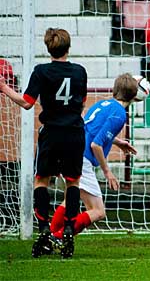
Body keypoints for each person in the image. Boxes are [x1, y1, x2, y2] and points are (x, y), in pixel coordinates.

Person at [0, 28, 87, 258]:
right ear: (68, 48)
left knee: (41, 181)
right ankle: (68, 228)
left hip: (51, 133)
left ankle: (44, 229)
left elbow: (27, 102)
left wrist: (3, 87)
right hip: (75, 133)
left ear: (48, 48)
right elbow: (82, 103)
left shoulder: (41, 71)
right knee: (73, 183)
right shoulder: (80, 72)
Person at [48, 73, 139, 246]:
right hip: (82, 158)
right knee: (98, 211)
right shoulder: (120, 114)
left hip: (69, 150)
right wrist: (108, 172)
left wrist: (118, 142)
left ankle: (50, 236)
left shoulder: (103, 103)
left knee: (71, 200)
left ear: (115, 90)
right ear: (134, 96)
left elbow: (90, 129)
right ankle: (58, 237)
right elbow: (96, 145)